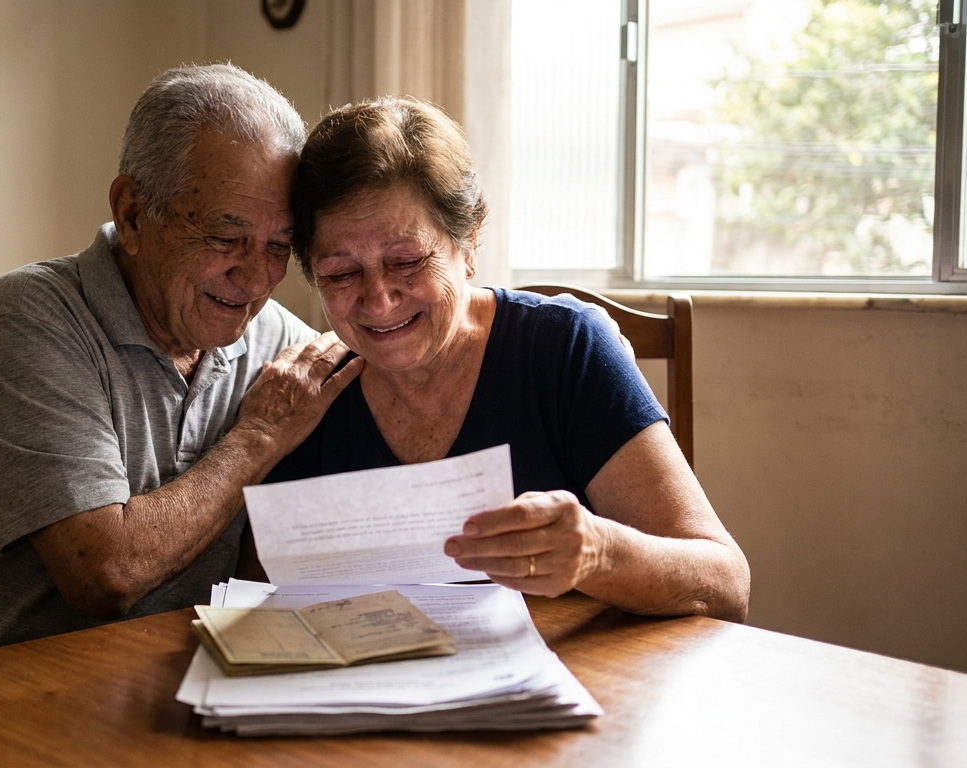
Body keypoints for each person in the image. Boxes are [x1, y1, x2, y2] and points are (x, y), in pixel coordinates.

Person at [0, 64, 364, 666]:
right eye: (225, 236)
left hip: (151, 691)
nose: (256, 279)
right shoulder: (30, 317)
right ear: (134, 212)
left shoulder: (275, 340)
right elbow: (105, 573)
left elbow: (383, 382)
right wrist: (260, 436)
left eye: (278, 246)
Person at [267, 97, 750, 620]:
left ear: (470, 241)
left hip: (580, 682)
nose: (379, 299)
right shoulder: (309, 393)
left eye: (406, 262)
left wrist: (599, 553)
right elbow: (261, 594)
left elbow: (725, 586)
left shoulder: (563, 350)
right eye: (341, 273)